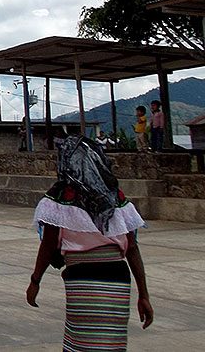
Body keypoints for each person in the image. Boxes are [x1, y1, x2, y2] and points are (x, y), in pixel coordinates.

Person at [27, 135, 153, 350]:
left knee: (82, 343)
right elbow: (131, 247)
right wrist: (144, 294)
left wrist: (35, 281)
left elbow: (48, 245)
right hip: (118, 278)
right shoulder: (116, 197)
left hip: (83, 278)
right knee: (111, 343)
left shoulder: (61, 196)